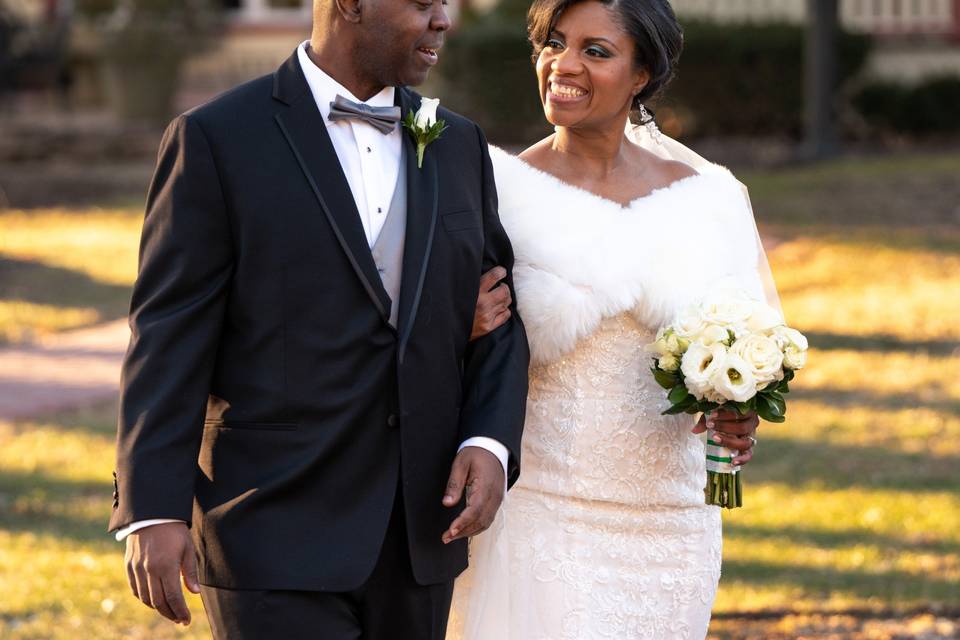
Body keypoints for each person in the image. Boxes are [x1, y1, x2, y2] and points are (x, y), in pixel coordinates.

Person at [108, 0, 529, 637]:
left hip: (417, 531)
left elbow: (497, 313)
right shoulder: (218, 139)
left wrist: (488, 441)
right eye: (423, 3)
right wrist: (151, 508)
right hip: (271, 527)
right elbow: (169, 336)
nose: (443, 19)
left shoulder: (457, 143)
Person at [449, 0, 778, 637]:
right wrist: (462, 329)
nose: (563, 64)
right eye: (555, 43)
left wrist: (737, 409)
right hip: (544, 519)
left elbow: (748, 340)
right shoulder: (497, 192)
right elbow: (443, 348)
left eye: (596, 51)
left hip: (673, 528)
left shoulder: (709, 200)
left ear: (642, 74)